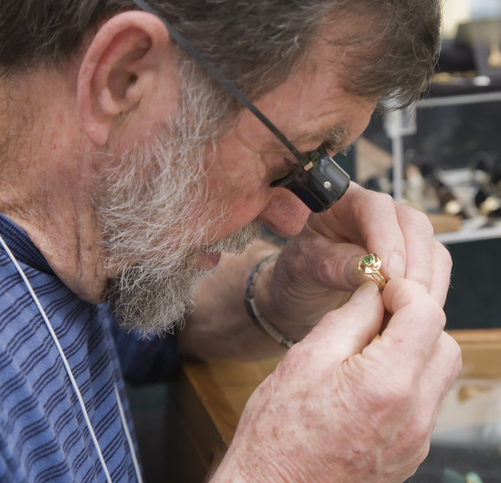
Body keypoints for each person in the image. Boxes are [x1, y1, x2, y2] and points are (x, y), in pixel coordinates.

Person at [0, 0, 462, 481]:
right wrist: (284, 470)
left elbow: (147, 328)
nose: (291, 220)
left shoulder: (83, 231)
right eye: (289, 164)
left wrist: (277, 291)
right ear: (123, 77)